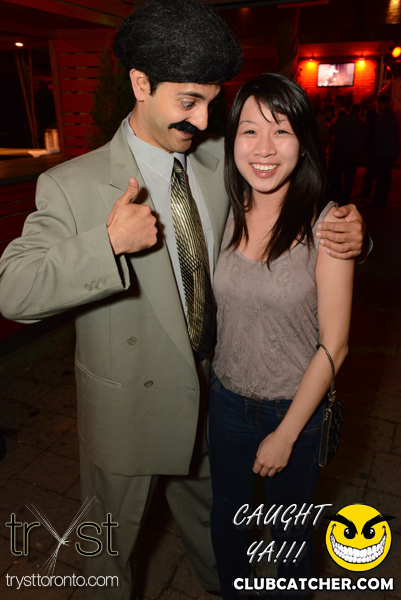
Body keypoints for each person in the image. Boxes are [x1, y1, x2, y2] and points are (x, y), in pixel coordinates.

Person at [0, 1, 365, 598]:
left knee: (217, 537)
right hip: (126, 411)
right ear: (140, 84)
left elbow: (287, 200)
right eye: (188, 101)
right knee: (108, 561)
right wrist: (106, 245)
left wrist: (352, 232)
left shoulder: (220, 161)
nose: (202, 120)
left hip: (211, 402)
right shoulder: (71, 185)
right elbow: (13, 289)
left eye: (212, 103)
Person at [208, 73, 354, 599]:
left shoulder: (328, 225)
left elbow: (335, 343)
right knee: (228, 523)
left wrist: (287, 433)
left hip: (295, 408)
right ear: (232, 140)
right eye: (250, 130)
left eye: (282, 130)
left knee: (290, 539)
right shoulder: (223, 208)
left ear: (304, 142)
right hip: (226, 400)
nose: (264, 148)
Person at [328, 103, 368, 204]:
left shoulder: (342, 120)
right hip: (354, 155)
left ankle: (337, 195)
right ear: (359, 111)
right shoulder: (363, 124)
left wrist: (331, 149)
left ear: (350, 110)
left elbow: (333, 134)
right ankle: (346, 196)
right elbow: (365, 142)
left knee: (337, 175)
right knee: (349, 178)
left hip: (340, 153)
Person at [371, 94, 400, 208]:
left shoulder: (385, 115)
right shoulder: (392, 115)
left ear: (381, 103)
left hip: (384, 152)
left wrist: (376, 151)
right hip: (390, 151)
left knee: (381, 177)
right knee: (385, 177)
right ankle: (382, 198)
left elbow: (379, 134)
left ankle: (379, 199)